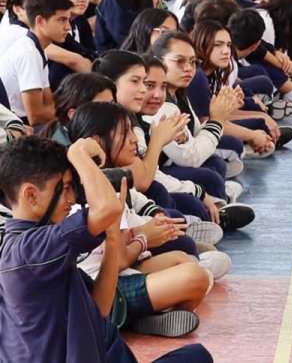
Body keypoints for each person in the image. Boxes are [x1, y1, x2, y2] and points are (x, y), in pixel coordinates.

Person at [0, 137, 214, 363]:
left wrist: (113, 240)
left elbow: (99, 309)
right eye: (64, 189)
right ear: (30, 195)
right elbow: (106, 209)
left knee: (195, 356)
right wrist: (78, 153)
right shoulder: (28, 250)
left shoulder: (34, 248)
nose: (71, 199)